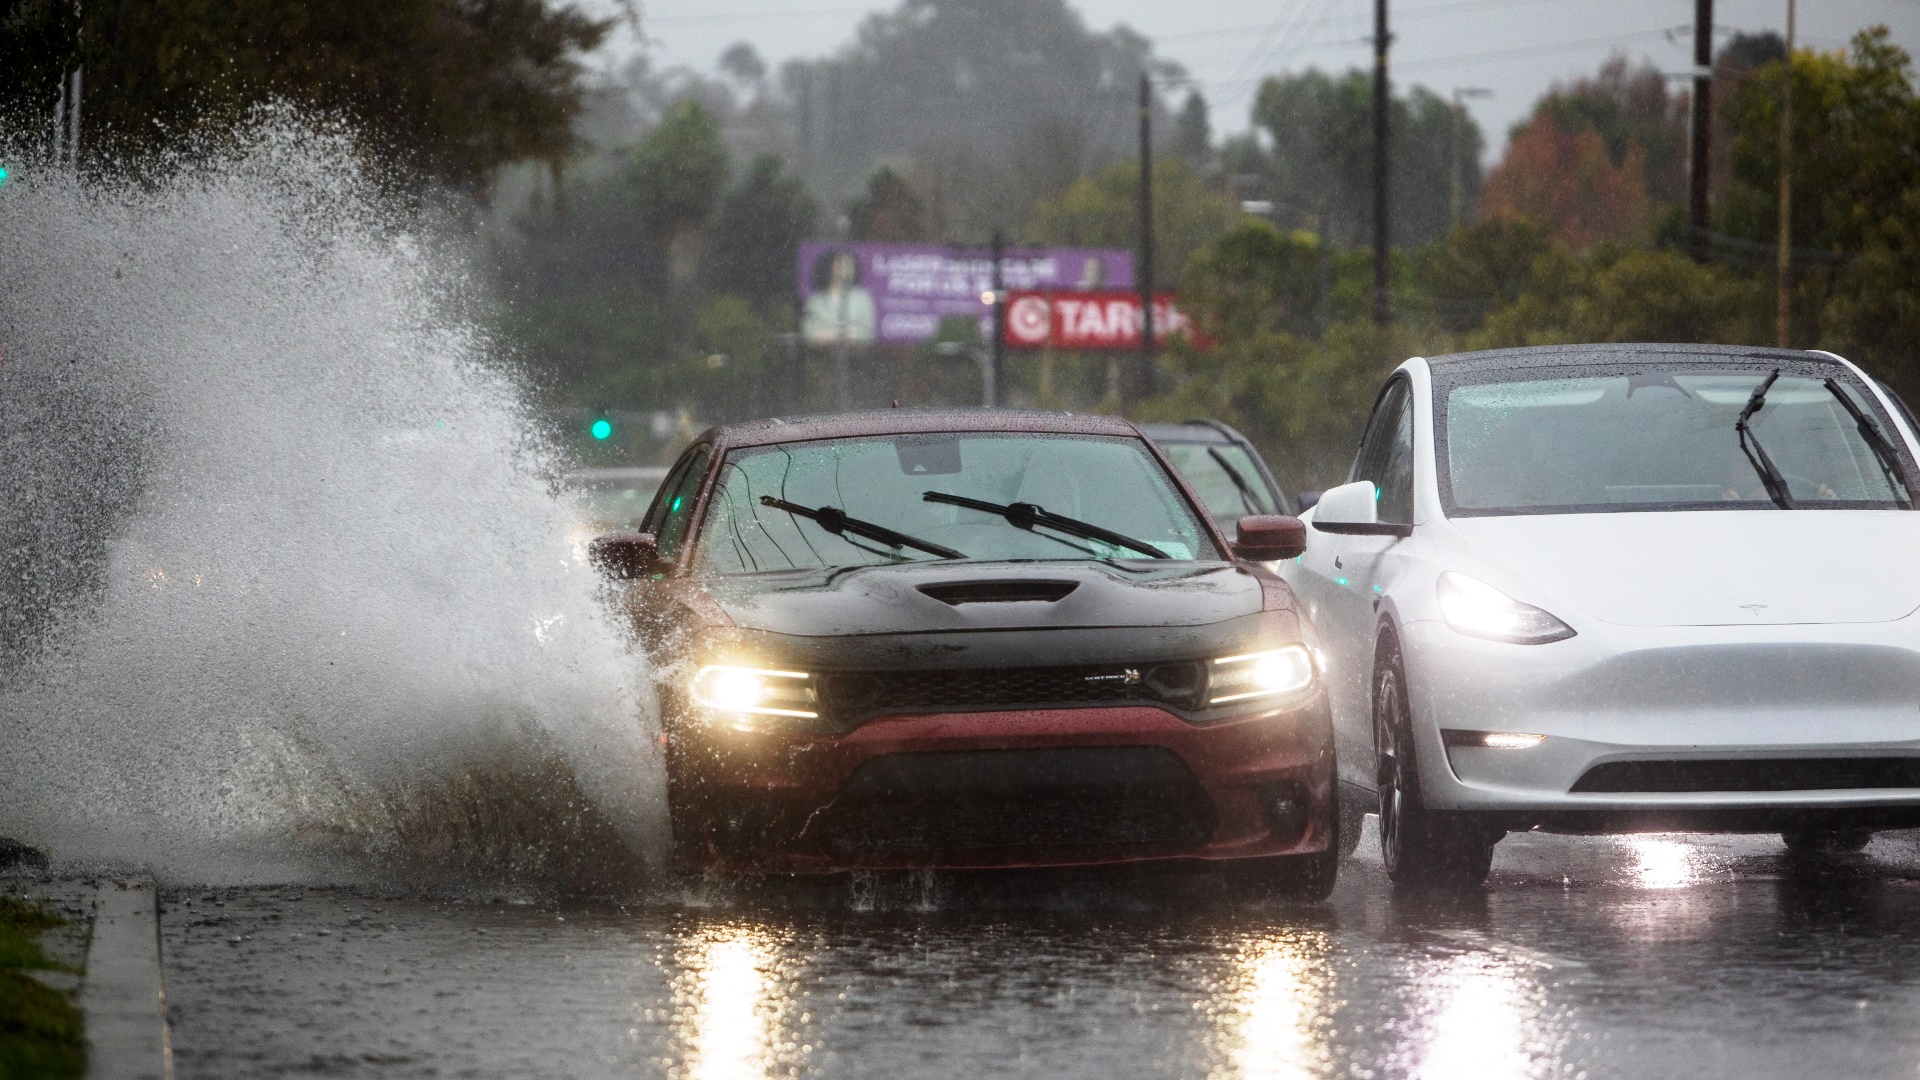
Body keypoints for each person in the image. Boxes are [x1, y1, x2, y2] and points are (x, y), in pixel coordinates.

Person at [802, 250, 877, 346]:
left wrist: (828, 333)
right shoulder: (815, 301)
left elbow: (868, 333)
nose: (846, 268)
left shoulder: (863, 298)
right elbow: (809, 334)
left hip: (855, 357)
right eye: (840, 263)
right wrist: (845, 333)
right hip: (822, 357)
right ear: (830, 267)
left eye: (849, 264)